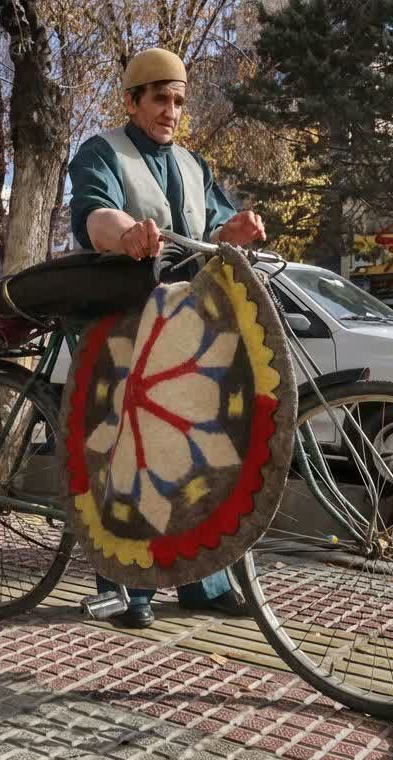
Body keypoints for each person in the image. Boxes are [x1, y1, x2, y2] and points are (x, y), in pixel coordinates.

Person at [68, 47, 268, 629]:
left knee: (200, 445)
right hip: (122, 325)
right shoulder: (103, 151)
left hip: (186, 331)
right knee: (129, 451)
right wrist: (125, 232)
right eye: (160, 98)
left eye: (179, 101)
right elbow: (92, 215)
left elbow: (214, 226)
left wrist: (238, 230)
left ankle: (202, 583)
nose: (172, 111)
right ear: (132, 101)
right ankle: (129, 587)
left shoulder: (193, 165)